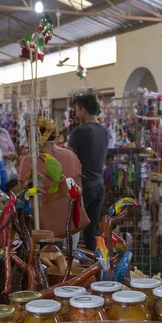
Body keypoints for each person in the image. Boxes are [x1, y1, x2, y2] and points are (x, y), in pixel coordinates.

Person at [18, 122, 82, 240]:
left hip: (42, 229)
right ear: (55, 136)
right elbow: (79, 189)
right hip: (71, 223)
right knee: (70, 256)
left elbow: (23, 194)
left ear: (31, 138)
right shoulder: (71, 156)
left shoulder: (28, 161)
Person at [67, 94, 108, 251]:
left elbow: (68, 157)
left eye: (77, 109)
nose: (76, 112)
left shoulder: (80, 131)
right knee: (92, 232)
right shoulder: (104, 132)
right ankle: (95, 267)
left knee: (73, 228)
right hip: (99, 185)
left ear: (83, 110)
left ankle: (74, 266)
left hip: (84, 186)